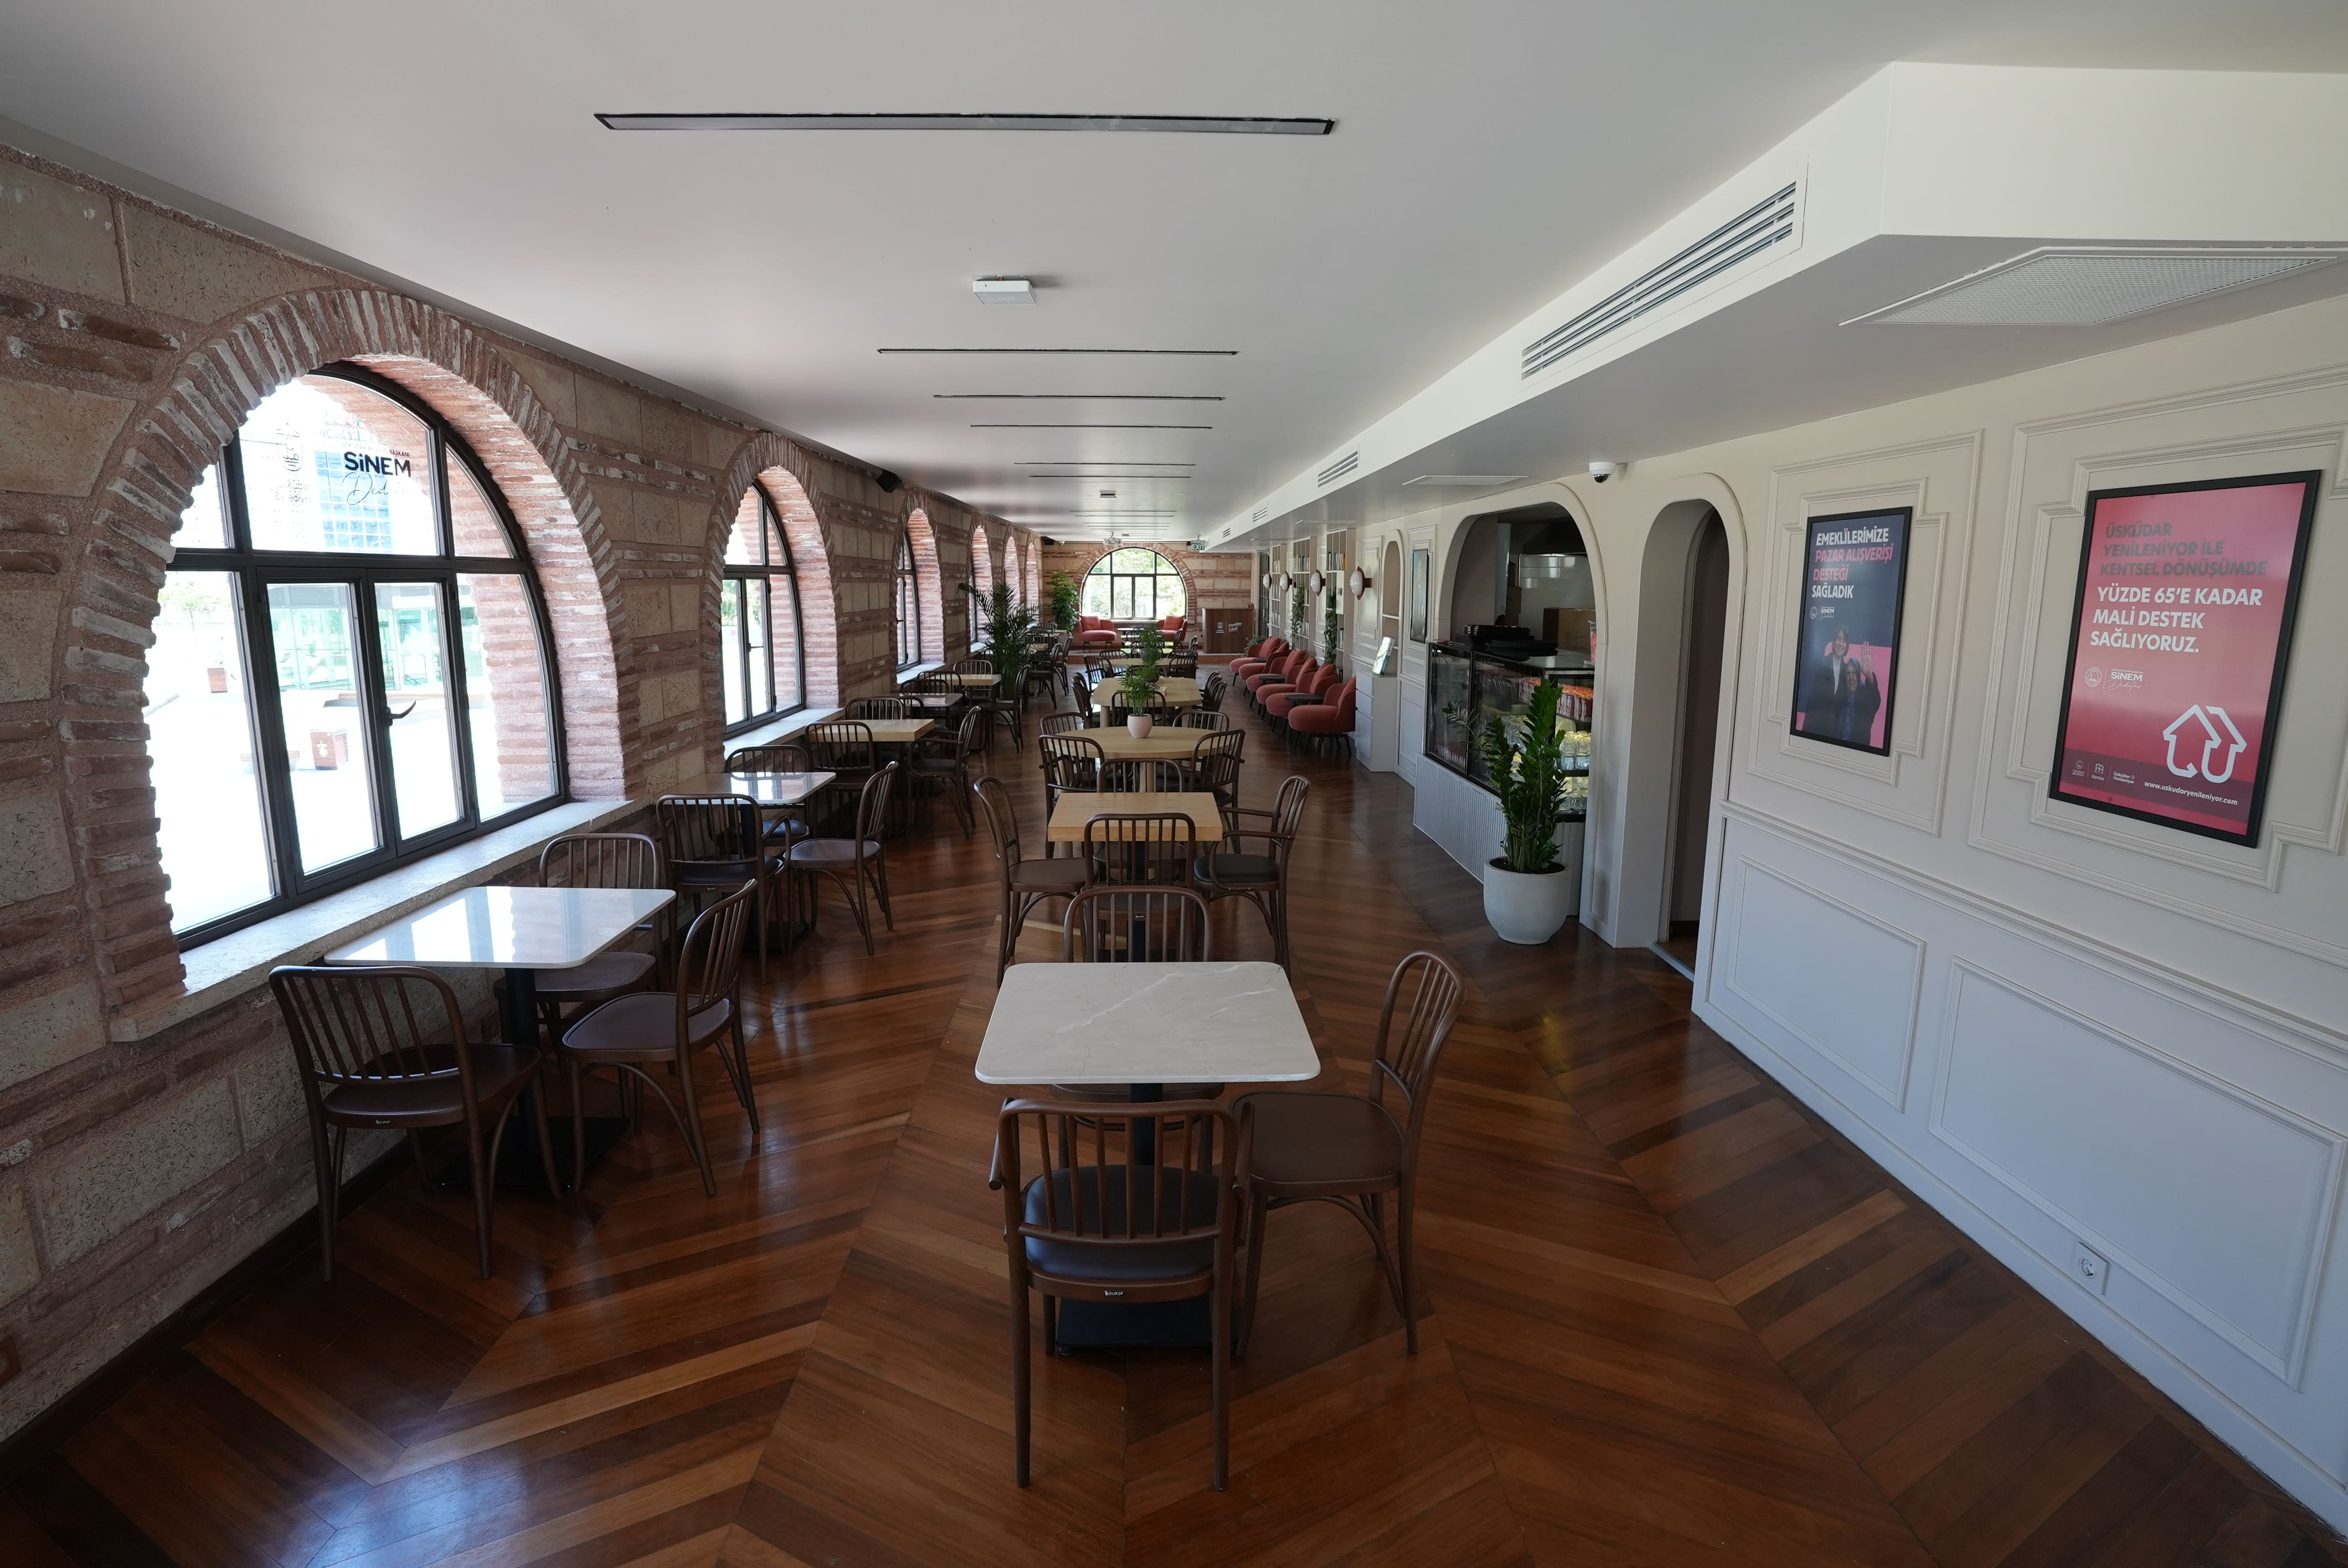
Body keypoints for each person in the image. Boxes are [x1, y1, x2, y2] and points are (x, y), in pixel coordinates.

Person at [1800, 627, 1849, 737]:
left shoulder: (1847, 670)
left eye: (1844, 641)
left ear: (1847, 645)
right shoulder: (1822, 664)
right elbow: (1812, 700)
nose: (1841, 644)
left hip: (1834, 734)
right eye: (1839, 639)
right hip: (1816, 729)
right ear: (1834, 640)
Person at [1843, 650, 1882, 747]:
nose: (1851, 677)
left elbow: (1875, 700)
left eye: (1854, 673)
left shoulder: (1865, 697)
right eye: (1848, 673)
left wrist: (1869, 675)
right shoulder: (1841, 696)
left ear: (1858, 675)